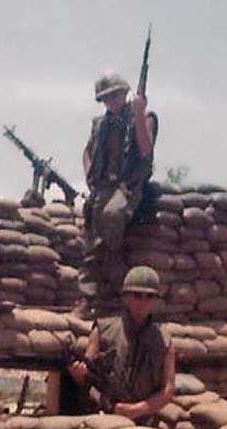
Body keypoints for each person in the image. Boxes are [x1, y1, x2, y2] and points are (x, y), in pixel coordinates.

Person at [80, 72, 157, 306]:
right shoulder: (100, 124)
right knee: (91, 224)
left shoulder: (143, 118)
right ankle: (89, 296)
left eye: (115, 96)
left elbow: (145, 151)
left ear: (125, 93)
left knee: (111, 215)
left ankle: (115, 285)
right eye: (105, 98)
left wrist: (139, 112)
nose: (110, 102)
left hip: (129, 186)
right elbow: (87, 152)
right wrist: (89, 177)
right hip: (103, 187)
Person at [68, 266, 175, 425]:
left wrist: (138, 409)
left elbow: (168, 390)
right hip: (103, 417)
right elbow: (86, 375)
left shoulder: (164, 340)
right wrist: (78, 375)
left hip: (145, 422)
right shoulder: (103, 330)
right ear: (126, 297)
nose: (143, 302)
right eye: (137, 295)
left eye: (149, 296)